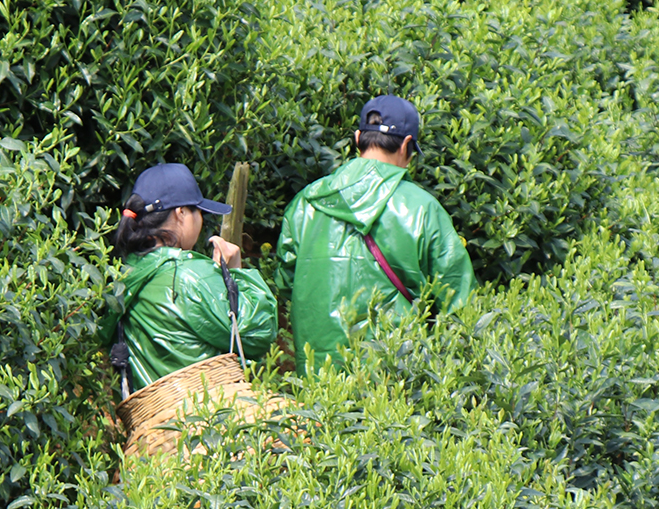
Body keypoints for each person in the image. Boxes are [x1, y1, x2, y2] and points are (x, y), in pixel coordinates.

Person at [274, 96, 475, 372]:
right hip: (392, 383)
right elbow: (460, 306)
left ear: (357, 139)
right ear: (406, 145)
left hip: (318, 384)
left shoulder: (305, 203)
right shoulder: (424, 209)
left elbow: (286, 284)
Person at [100, 163, 277, 394]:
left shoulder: (124, 275)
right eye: (198, 211)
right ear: (180, 212)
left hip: (154, 420)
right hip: (205, 415)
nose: (201, 219)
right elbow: (259, 331)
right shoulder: (190, 275)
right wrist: (235, 272)